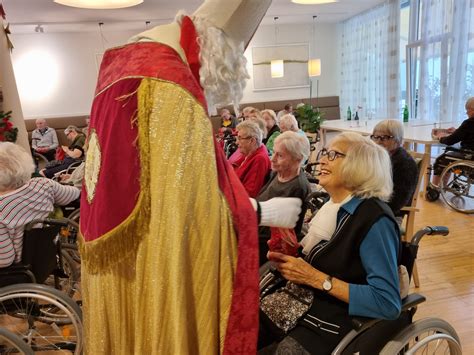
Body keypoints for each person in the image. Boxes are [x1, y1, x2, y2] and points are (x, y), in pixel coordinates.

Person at [79, 1, 281, 353]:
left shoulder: (120, 63)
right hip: (159, 261)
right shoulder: (173, 86)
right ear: (219, 50)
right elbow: (195, 216)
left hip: (114, 254)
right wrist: (250, 215)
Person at [259, 132, 401, 354]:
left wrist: (315, 278)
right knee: (241, 324)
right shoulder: (332, 206)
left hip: (336, 317)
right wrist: (289, 261)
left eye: (333, 155)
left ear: (360, 165)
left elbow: (387, 302)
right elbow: (323, 260)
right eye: (325, 152)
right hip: (304, 301)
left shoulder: (375, 220)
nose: (322, 159)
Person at [0, 142, 80, 268]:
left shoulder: (2, 209)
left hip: (19, 270)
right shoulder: (42, 184)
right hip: (48, 255)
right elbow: (73, 194)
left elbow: (4, 260)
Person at [256, 131, 310, 265]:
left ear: (297, 159)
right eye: (273, 152)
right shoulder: (278, 172)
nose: (272, 158)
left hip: (265, 244)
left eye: (279, 155)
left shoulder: (297, 186)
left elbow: (277, 232)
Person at [371, 119, 418, 217]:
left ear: (398, 140)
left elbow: (397, 202)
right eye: (376, 137)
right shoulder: (378, 157)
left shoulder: (405, 164)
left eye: (384, 138)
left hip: (389, 213)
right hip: (375, 205)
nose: (378, 142)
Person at [431, 97, 474, 187]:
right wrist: (456, 131)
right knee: (450, 152)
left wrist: (440, 138)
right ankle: (442, 185)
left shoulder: (469, 122)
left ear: (473, 109)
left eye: (468, 110)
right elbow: (469, 134)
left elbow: (450, 141)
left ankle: (435, 187)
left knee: (441, 159)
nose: (467, 113)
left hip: (469, 156)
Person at [234, 120, 271, 198]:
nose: (237, 142)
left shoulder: (259, 159)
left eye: (240, 138)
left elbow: (250, 193)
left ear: (252, 141)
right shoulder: (249, 153)